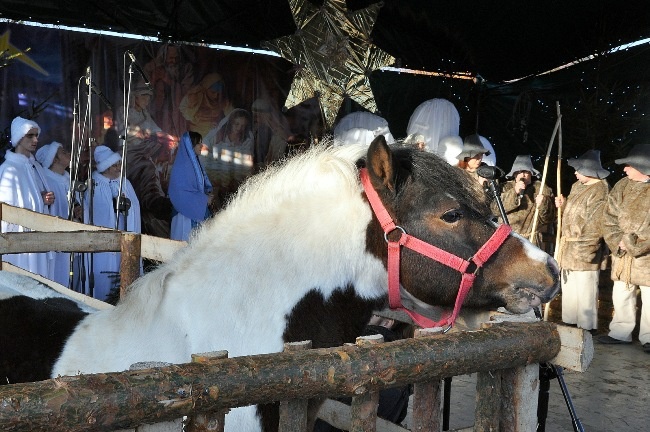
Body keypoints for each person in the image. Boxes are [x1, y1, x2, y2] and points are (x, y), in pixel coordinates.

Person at [597, 143, 650, 353]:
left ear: (642, 166)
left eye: (629, 165)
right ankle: (620, 332)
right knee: (621, 292)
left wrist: (633, 243)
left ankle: (649, 337)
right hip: (622, 254)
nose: (624, 169)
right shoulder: (621, 185)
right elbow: (608, 216)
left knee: (649, 296)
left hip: (646, 257)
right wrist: (617, 239)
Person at [554, 150, 610, 331]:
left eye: (578, 169)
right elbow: (572, 215)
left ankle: (586, 326)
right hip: (569, 246)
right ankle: (570, 321)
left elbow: (595, 223)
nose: (575, 173)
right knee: (569, 286)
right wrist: (563, 206)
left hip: (586, 246)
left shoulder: (601, 190)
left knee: (585, 288)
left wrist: (586, 249)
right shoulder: (577, 186)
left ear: (589, 170)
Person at [116, 81, 174, 238]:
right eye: (144, 97)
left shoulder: (144, 113)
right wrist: (146, 134)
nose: (147, 101)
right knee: (147, 168)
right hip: (131, 152)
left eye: (149, 97)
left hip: (146, 149)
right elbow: (125, 132)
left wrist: (164, 137)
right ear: (135, 97)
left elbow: (155, 129)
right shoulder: (124, 111)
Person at [84, 145, 141, 301]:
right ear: (106, 168)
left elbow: (135, 207)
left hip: (124, 238)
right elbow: (94, 215)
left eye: (119, 164)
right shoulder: (94, 184)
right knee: (104, 270)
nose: (118, 168)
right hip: (104, 244)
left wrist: (126, 208)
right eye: (115, 165)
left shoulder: (124, 183)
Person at [0, 117, 55, 278]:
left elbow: (37, 197)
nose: (36, 140)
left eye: (36, 135)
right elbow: (8, 211)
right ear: (18, 138)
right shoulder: (9, 169)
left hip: (38, 234)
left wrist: (45, 200)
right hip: (20, 239)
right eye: (30, 136)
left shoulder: (34, 166)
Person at [35, 142, 82, 286]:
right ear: (54, 160)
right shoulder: (46, 180)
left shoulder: (68, 179)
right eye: (63, 152)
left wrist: (78, 211)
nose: (68, 154)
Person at [493, 155, 554, 250]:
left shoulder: (541, 189)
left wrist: (544, 203)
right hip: (507, 240)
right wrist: (514, 192)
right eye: (519, 172)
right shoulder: (504, 188)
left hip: (531, 241)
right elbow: (495, 210)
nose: (522, 175)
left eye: (525, 172)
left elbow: (548, 219)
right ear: (514, 174)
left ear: (531, 173)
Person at [168, 131, 214, 241]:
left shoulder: (195, 163)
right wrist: (204, 200)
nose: (201, 145)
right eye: (198, 143)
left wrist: (207, 194)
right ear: (191, 145)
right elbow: (179, 193)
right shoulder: (182, 166)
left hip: (197, 211)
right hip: (185, 216)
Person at [143, 43, 195, 139]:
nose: (174, 61)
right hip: (159, 112)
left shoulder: (186, 68)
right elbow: (144, 88)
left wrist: (168, 80)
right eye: (170, 58)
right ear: (163, 57)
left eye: (176, 58)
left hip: (178, 114)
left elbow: (187, 93)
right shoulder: (152, 67)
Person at [203, 108, 254, 202]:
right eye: (237, 124)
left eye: (243, 126)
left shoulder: (248, 138)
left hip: (236, 172)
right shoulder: (217, 134)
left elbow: (246, 159)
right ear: (231, 123)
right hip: (215, 171)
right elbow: (204, 150)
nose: (239, 128)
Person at [180, 72, 234, 137]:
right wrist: (192, 113)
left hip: (214, 129)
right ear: (206, 88)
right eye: (213, 92)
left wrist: (222, 124)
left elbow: (231, 113)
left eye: (219, 93)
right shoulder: (195, 95)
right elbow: (182, 108)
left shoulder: (222, 98)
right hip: (196, 129)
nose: (216, 96)